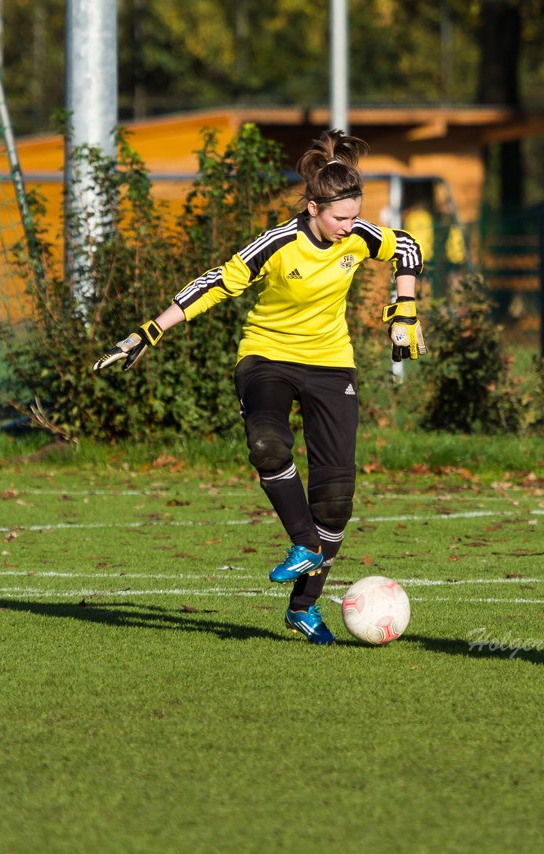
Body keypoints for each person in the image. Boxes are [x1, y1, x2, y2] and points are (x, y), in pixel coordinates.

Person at [91, 129, 425, 645]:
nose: (349, 226)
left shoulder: (359, 237)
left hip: (332, 365)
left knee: (335, 501)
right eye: (340, 217)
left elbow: (406, 246)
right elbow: (213, 283)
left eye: (355, 216)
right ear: (313, 207)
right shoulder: (278, 243)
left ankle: (303, 608)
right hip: (267, 357)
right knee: (267, 445)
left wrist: (405, 307)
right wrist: (148, 332)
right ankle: (303, 544)